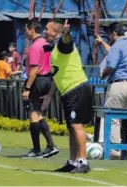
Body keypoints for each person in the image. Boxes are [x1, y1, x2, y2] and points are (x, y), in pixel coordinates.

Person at [42, 19, 92, 173]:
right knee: (71, 127)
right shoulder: (56, 49)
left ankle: (83, 161)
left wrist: (66, 32)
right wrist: (49, 95)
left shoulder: (63, 45)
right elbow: (58, 75)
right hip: (68, 92)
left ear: (56, 32)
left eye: (47, 29)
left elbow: (67, 40)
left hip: (76, 89)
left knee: (76, 126)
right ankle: (73, 162)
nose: (45, 32)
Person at [95, 22, 127, 158]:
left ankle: (114, 150)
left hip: (119, 84)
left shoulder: (117, 46)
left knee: (113, 117)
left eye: (109, 35)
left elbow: (111, 66)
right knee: (124, 117)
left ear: (114, 34)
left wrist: (104, 74)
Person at [21, 19, 58, 158]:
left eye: (26, 29)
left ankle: (37, 149)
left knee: (33, 113)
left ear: (31, 29)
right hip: (48, 79)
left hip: (38, 80)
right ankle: (50, 145)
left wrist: (27, 88)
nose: (25, 32)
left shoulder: (35, 46)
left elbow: (35, 69)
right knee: (39, 113)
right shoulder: (46, 44)